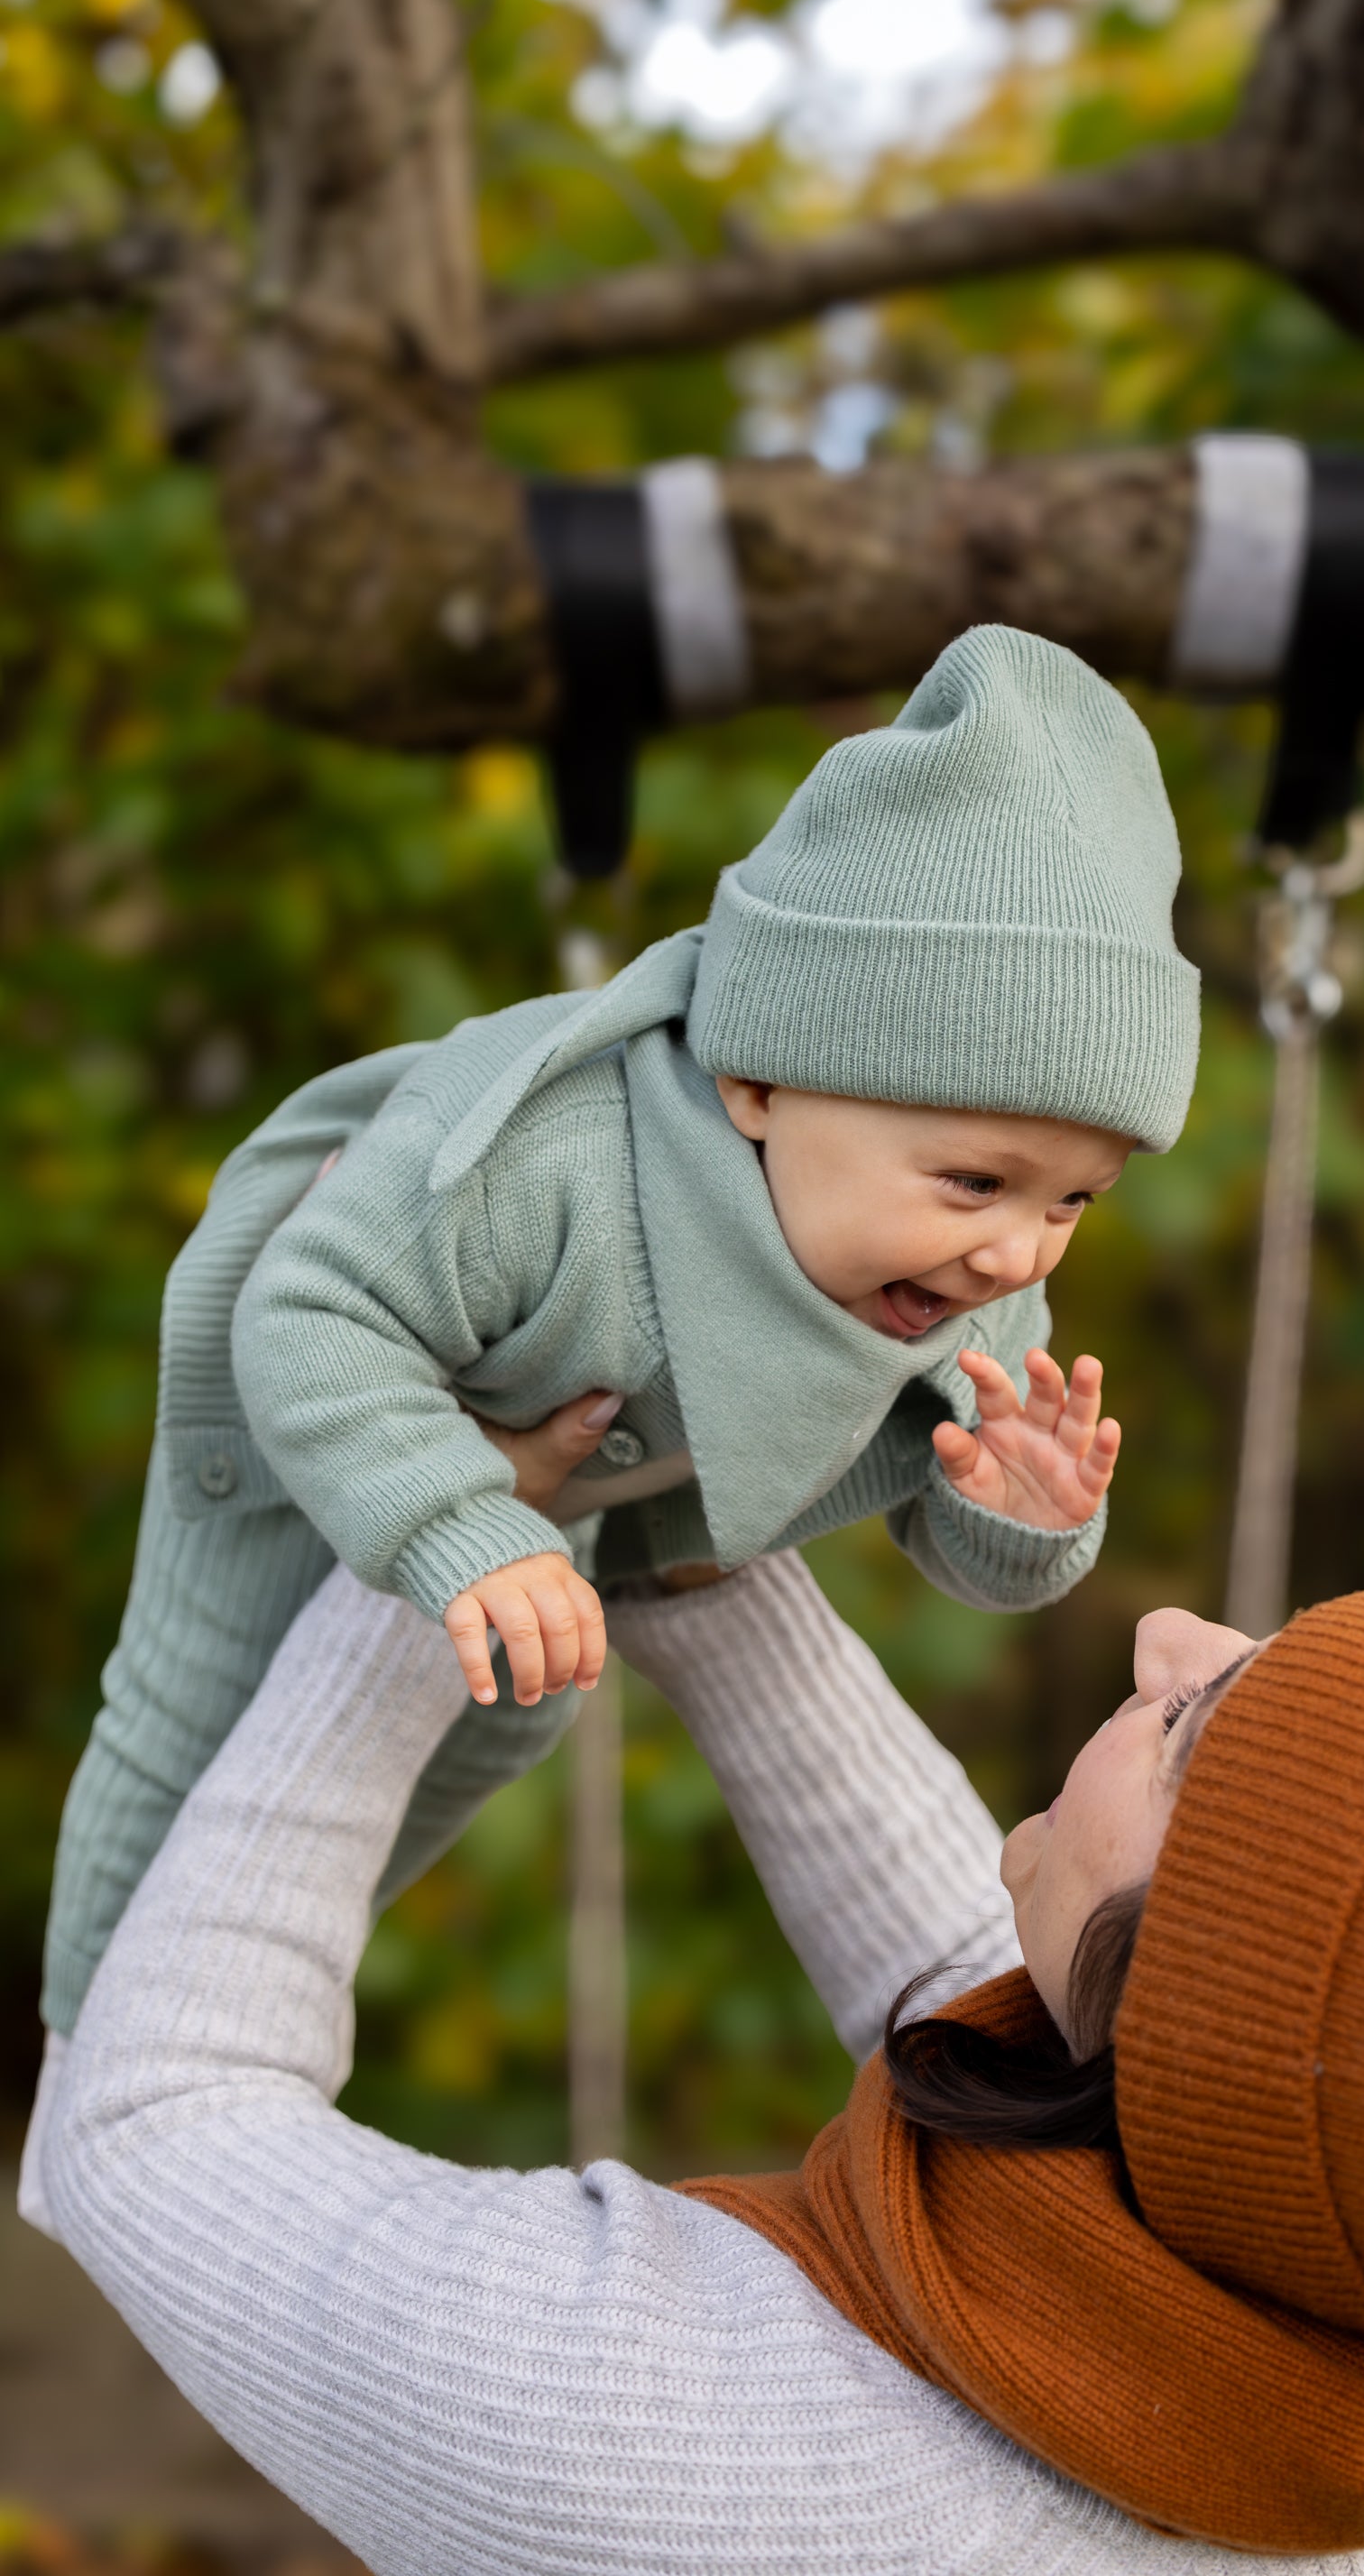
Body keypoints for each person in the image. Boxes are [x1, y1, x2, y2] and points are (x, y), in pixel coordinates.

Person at [32, 1388, 1364, 2573]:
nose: (1166, 1633)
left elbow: (156, 2119)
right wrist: (686, 1546)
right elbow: (1026, 2009)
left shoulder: (648, 2427)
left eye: (1204, 1726)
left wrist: (441, 1547)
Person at [38, 622, 1202, 2075]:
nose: (1016, 1254)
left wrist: (1009, 1518)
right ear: (761, 1079)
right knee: (192, 1722)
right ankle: (100, 2061)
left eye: (1071, 1201)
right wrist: (466, 1520)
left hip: (575, 1539)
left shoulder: (964, 1291)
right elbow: (313, 1315)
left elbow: (932, 1513)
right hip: (328, 1429)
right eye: (975, 1183)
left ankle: (201, 2013)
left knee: (441, 1767)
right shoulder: (550, 1179)